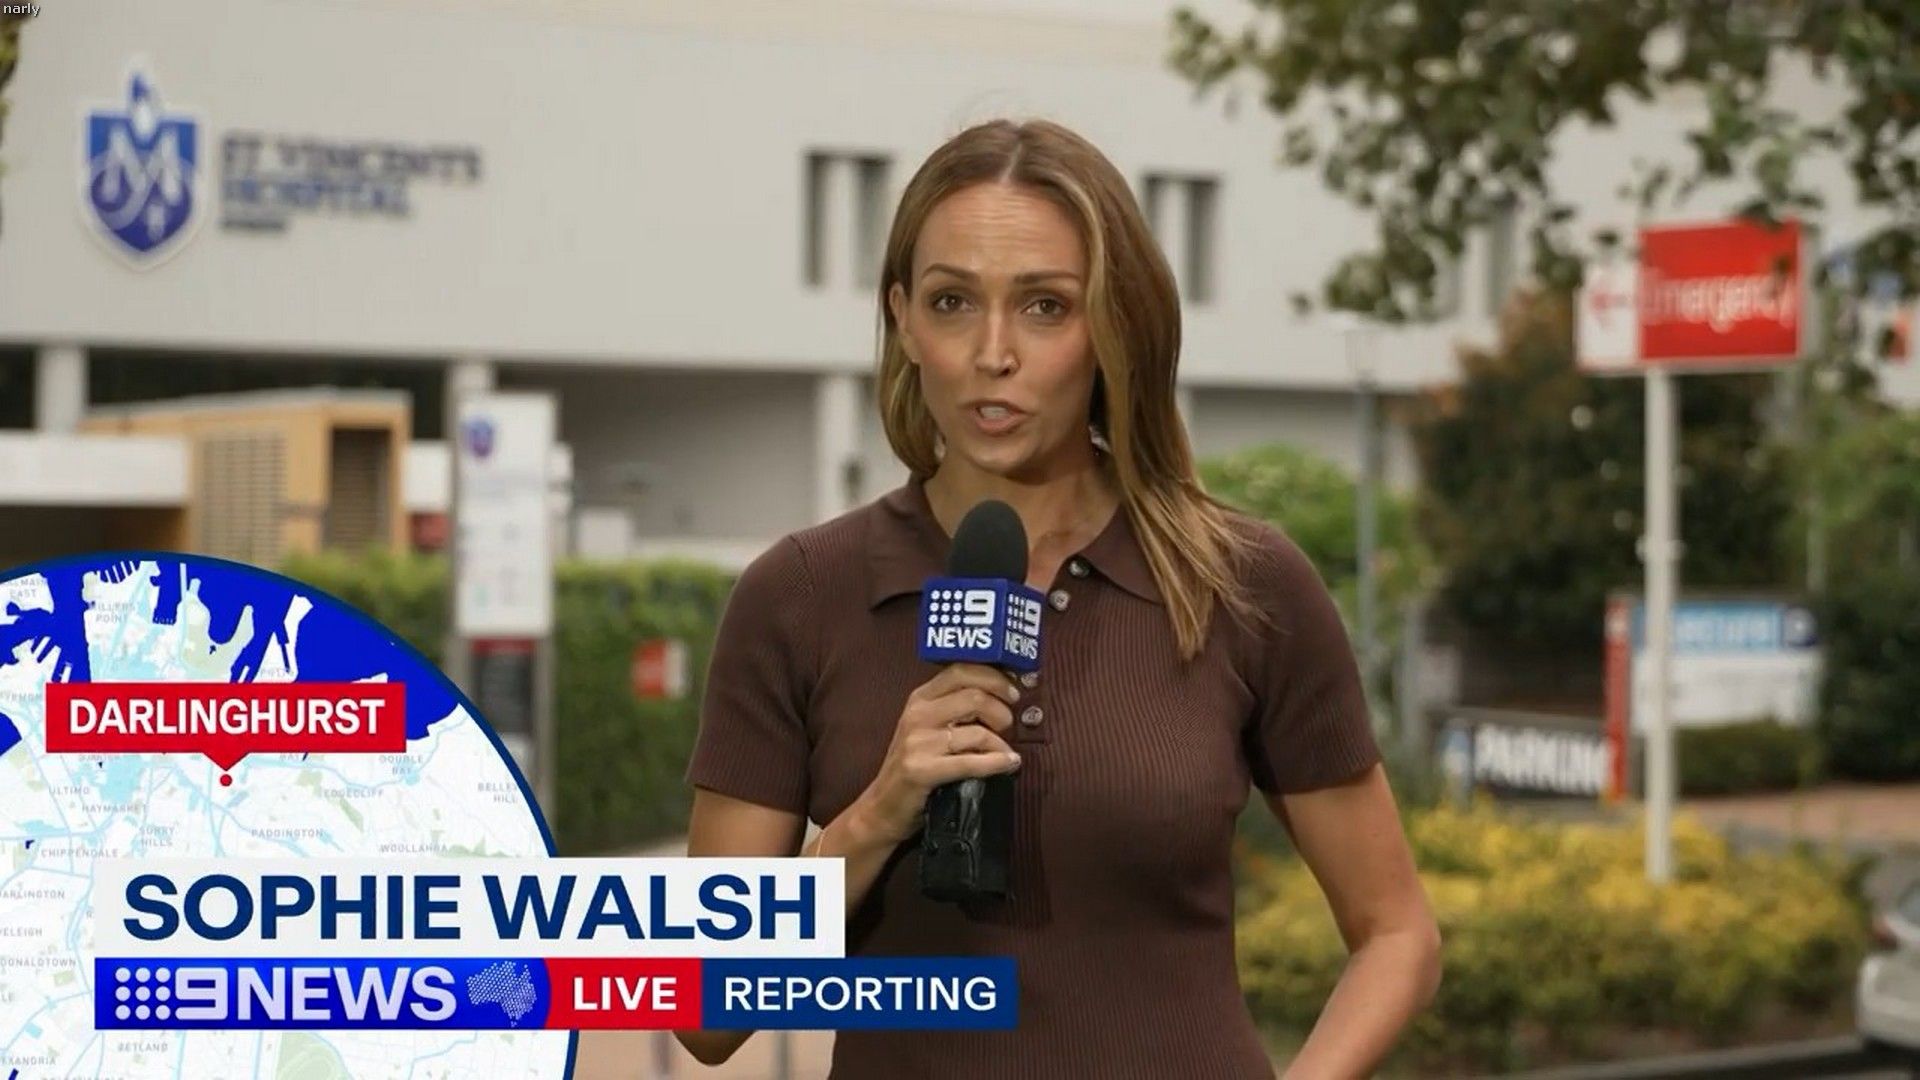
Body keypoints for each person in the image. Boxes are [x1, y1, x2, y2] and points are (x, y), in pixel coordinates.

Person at [678, 118, 1440, 1079]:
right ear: (904, 319)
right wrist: (873, 816)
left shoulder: (1241, 582)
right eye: (953, 302)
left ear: (1112, 326)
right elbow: (703, 1014)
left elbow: (1397, 935)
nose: (993, 352)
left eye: (1044, 306)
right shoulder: (798, 596)